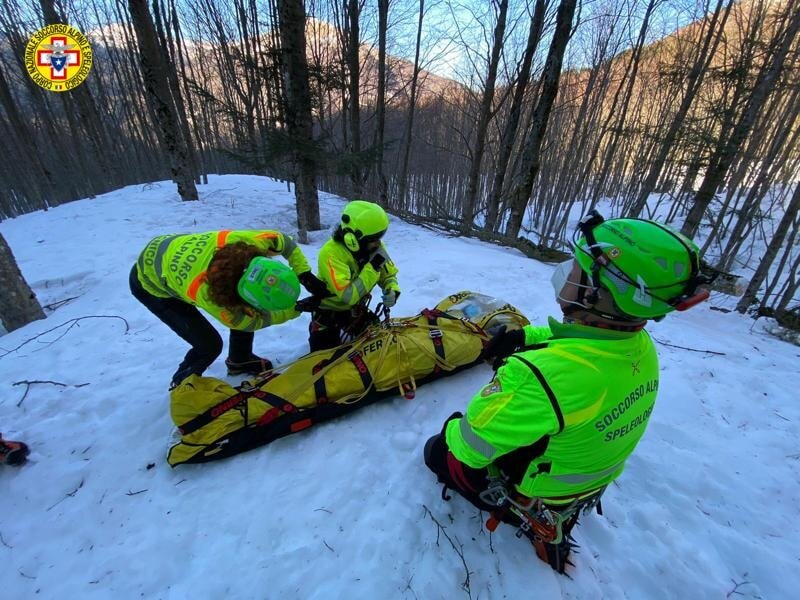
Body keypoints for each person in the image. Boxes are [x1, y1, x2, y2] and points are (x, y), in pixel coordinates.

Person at [423, 211, 711, 573]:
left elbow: (471, 448)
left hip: (541, 490)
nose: (568, 271)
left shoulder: (537, 378)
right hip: (587, 479)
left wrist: (457, 426)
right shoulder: (638, 346)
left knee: (439, 449)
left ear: (598, 293)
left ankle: (524, 512)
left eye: (578, 267)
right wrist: (524, 337)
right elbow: (574, 343)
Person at [130, 229, 330, 389]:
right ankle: (182, 387)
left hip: (169, 253)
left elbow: (284, 242)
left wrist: (304, 274)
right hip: (150, 284)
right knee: (208, 345)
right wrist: (297, 309)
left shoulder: (244, 241)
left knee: (246, 309)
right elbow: (255, 321)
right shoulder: (212, 297)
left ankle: (239, 360)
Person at [308, 200, 401, 351]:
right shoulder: (331, 254)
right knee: (325, 358)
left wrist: (392, 289)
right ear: (352, 239)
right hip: (328, 313)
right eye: (374, 239)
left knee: (379, 342)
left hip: (354, 311)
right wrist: (372, 267)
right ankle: (319, 330)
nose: (379, 243)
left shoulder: (373, 245)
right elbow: (348, 295)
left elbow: (389, 275)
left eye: (380, 237)